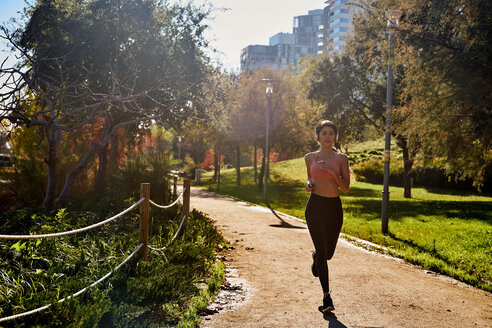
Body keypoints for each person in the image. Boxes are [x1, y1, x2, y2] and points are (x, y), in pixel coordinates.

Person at [304, 120, 350, 313]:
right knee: (324, 254)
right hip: (314, 207)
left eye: (331, 133)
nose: (327, 136)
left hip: (334, 208)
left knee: (327, 254)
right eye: (324, 133)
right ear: (318, 136)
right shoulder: (309, 157)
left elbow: (346, 187)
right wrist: (309, 185)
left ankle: (316, 256)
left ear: (335, 137)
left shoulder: (341, 159)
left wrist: (332, 171)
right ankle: (327, 298)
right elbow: (310, 178)